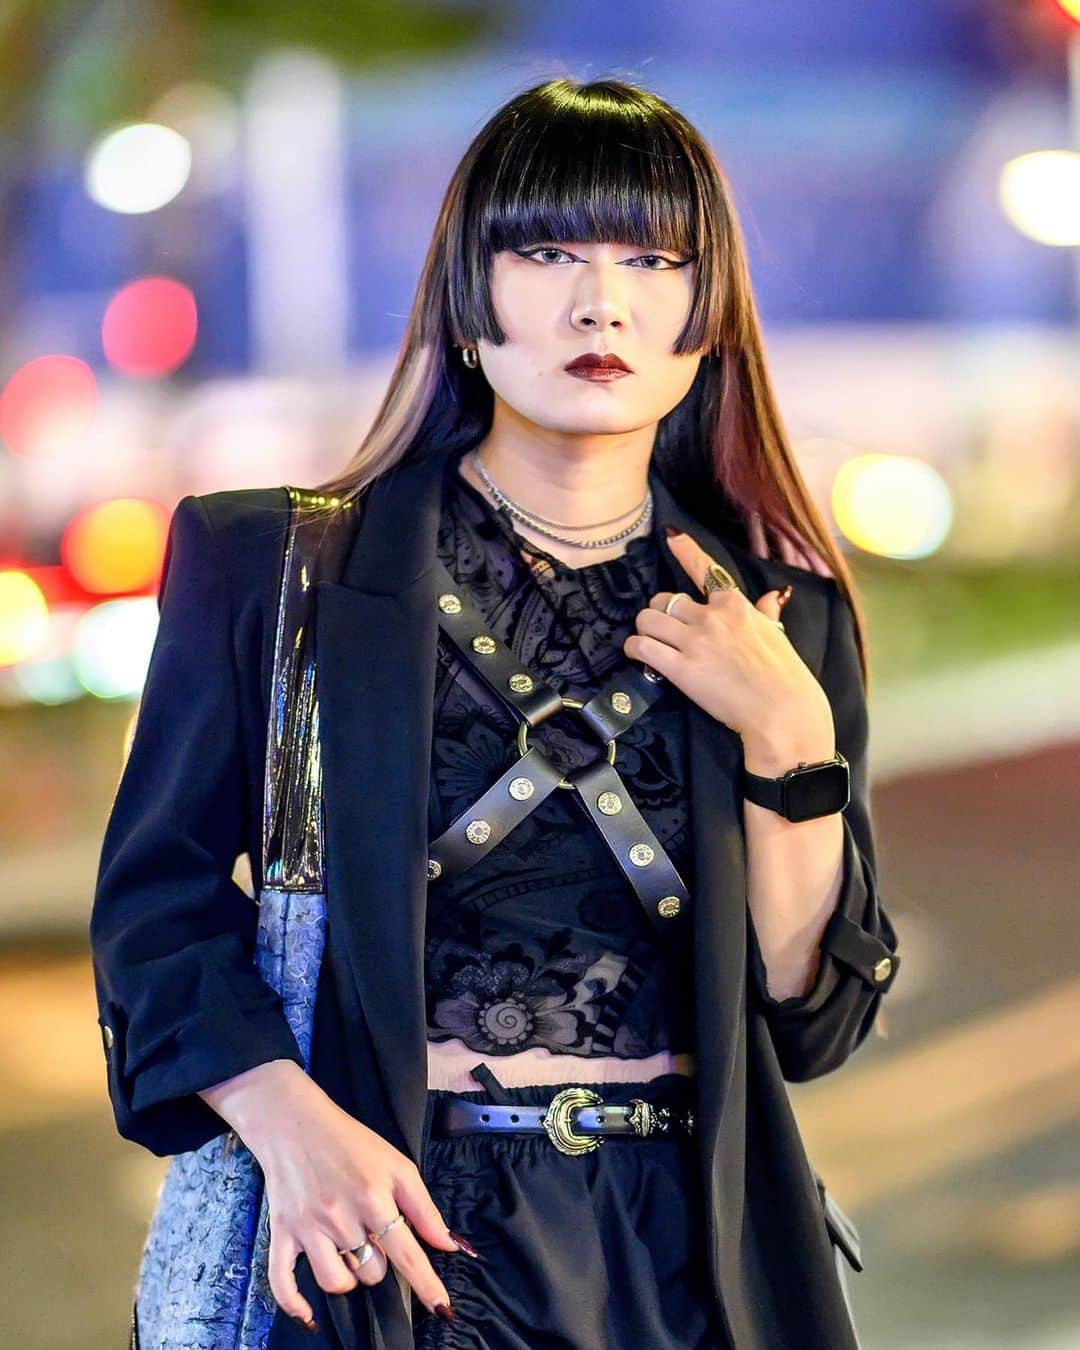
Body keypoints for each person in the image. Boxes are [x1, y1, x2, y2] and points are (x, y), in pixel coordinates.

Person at [90, 76, 901, 1349]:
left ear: (708, 315)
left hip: (680, 1252)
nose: (601, 301)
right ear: (471, 296)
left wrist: (791, 743)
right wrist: (292, 1127)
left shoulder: (780, 618)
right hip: (388, 1229)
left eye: (651, 257)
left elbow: (811, 1017)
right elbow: (159, 904)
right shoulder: (277, 569)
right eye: (546, 251)